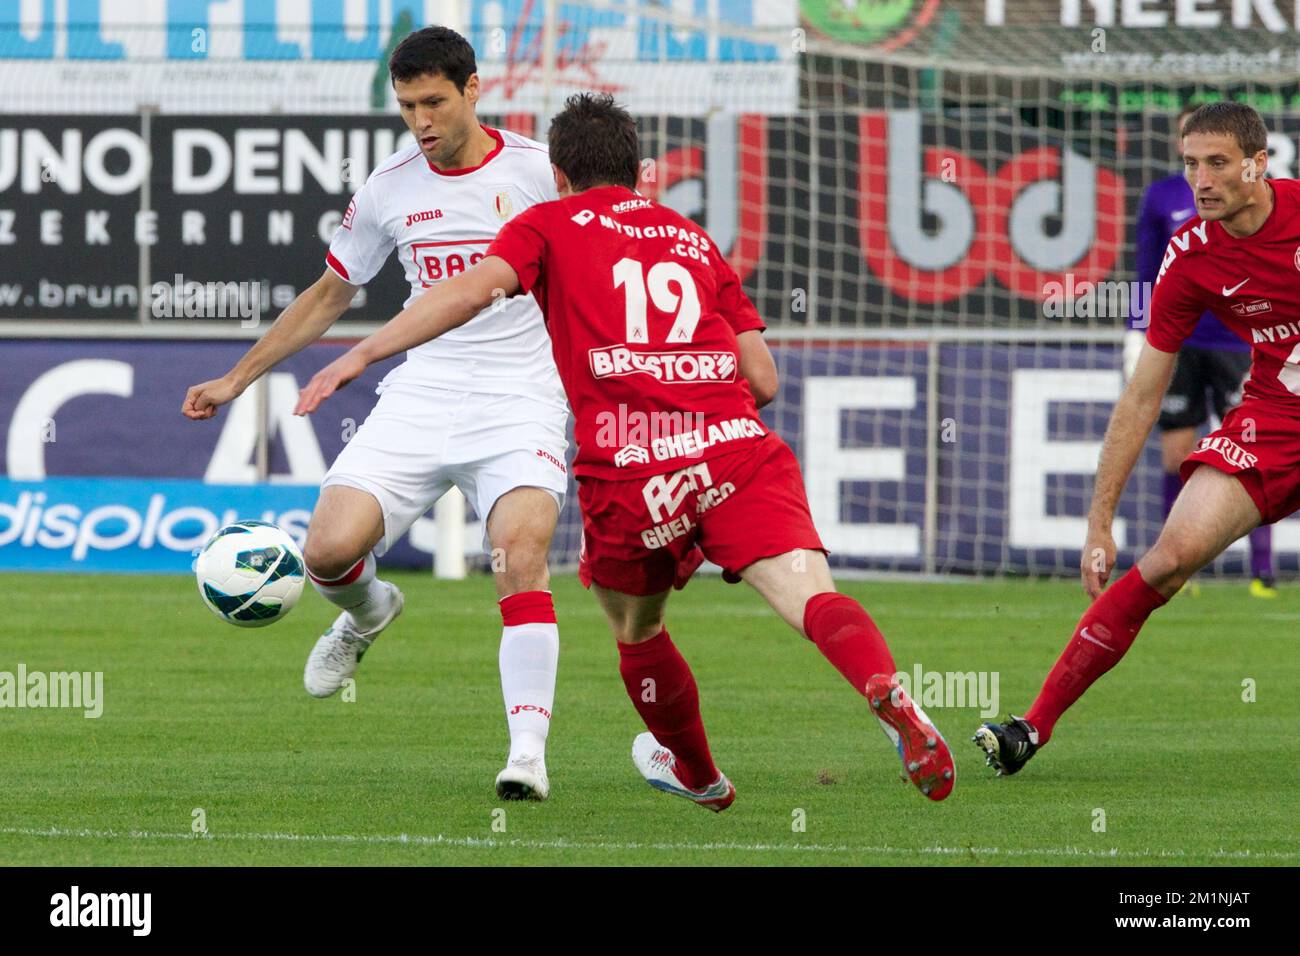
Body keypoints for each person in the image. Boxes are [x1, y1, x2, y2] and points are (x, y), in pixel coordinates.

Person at [293, 92, 956, 808]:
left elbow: (471, 291)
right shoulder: (690, 236)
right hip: (735, 449)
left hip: (631, 468)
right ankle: (883, 686)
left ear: (557, 172)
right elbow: (761, 378)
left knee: (638, 630)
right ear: (640, 172)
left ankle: (701, 776)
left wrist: (362, 353)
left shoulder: (542, 222)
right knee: (812, 599)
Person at [182, 27, 569, 801]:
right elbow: (330, 294)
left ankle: (527, 751)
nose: (421, 121)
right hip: (422, 391)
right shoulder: (389, 187)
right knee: (327, 550)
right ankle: (367, 614)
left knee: (519, 554)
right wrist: (239, 377)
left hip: (522, 396)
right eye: (406, 106)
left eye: (434, 102)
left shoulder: (537, 173)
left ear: (473, 90)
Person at [977, 103, 1300, 776]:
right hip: (1278, 417)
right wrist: (1099, 522)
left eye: (1217, 163)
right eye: (1191, 164)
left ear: (1258, 163)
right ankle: (1030, 730)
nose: (1201, 180)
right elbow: (1141, 395)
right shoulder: (1191, 259)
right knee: (1166, 560)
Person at [1126, 105, 1275, 597]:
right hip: (1181, 347)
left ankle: (1262, 570)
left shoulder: (1247, 199)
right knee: (1176, 455)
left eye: (1215, 158)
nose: (1203, 175)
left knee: (1252, 460)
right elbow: (1146, 273)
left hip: (1238, 343)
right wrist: (1136, 332)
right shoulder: (1163, 196)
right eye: (1193, 154)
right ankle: (1178, 567)